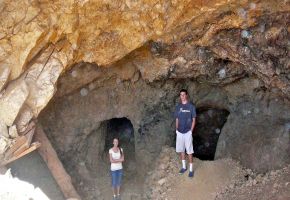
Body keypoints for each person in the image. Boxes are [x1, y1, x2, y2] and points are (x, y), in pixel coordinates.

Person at [174, 89, 196, 178]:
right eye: (181, 95)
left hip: (187, 132)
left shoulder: (191, 107)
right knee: (181, 150)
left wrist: (191, 131)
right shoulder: (178, 107)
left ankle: (191, 170)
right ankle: (184, 167)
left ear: (186, 95)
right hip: (179, 132)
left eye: (183, 95)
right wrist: (176, 130)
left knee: (189, 151)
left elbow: (194, 119)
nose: (182, 96)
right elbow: (177, 119)